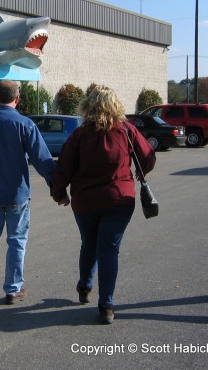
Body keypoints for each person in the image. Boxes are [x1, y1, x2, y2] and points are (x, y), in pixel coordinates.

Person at [51, 85, 155, 324]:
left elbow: (63, 168)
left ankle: (85, 286)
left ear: (88, 107)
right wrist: (140, 172)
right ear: (115, 105)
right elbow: (148, 156)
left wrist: (60, 194)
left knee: (89, 243)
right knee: (109, 249)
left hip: (85, 201)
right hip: (119, 199)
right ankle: (106, 305)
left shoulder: (79, 135)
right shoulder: (127, 130)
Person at [0, 80, 55, 310]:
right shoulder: (25, 124)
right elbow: (43, 160)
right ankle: (13, 289)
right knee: (17, 241)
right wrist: (57, 186)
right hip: (17, 196)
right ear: (17, 99)